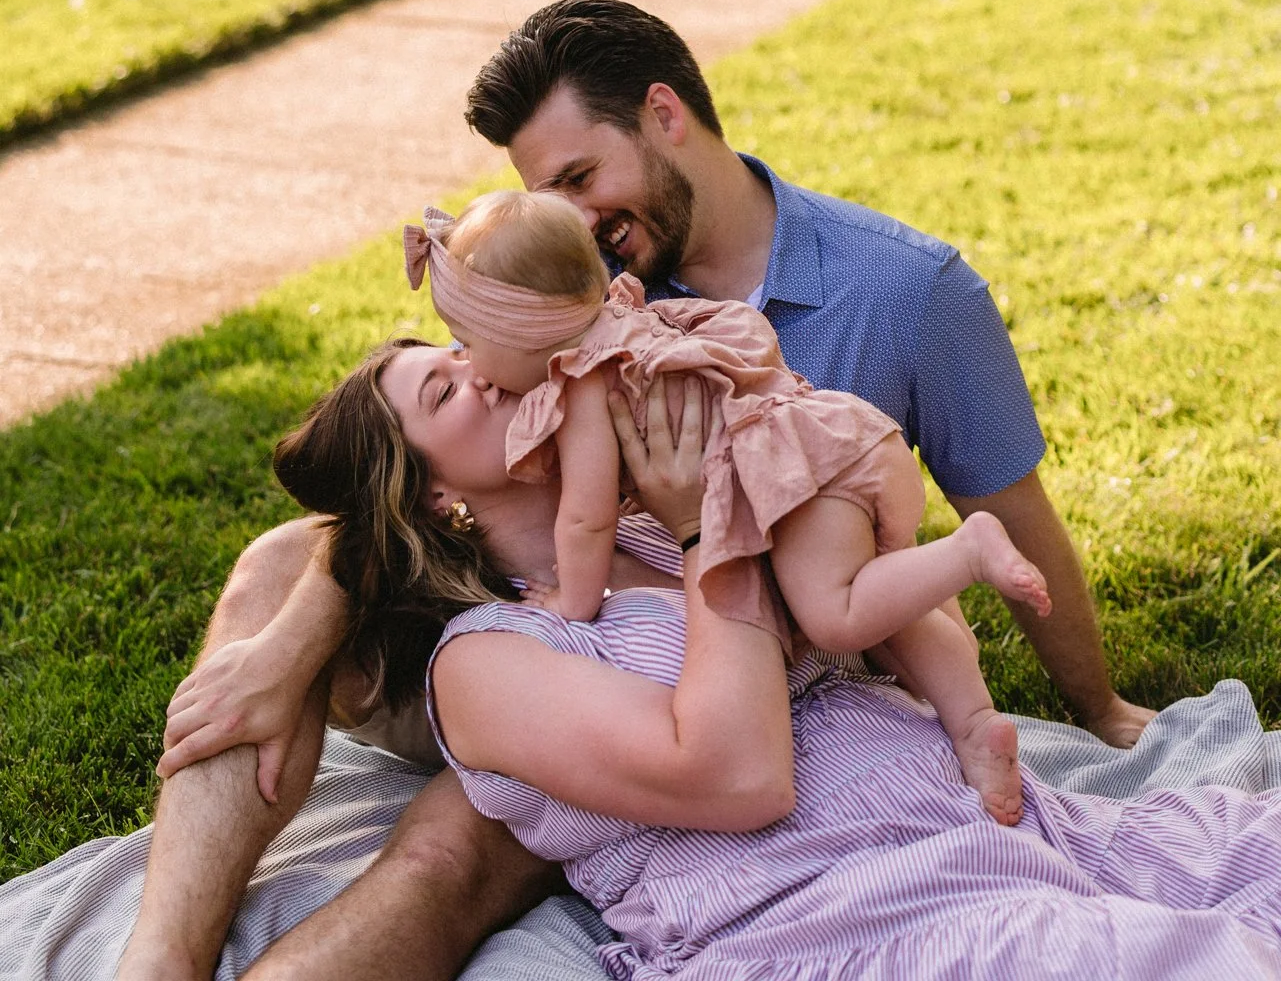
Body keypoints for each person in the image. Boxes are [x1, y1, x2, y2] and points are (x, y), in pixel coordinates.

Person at [269, 338, 1281, 976]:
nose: (485, 372)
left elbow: (894, 614)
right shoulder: (486, 660)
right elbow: (737, 774)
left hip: (1017, 833)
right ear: (437, 495)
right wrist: (711, 528)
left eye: (466, 352)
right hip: (838, 917)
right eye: (449, 391)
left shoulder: (654, 526)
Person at [404, 190, 1051, 824]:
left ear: (523, 331)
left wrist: (574, 601)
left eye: (465, 342)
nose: (475, 368)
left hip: (795, 476)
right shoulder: (631, 315)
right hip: (835, 434)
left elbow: (587, 514)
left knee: (836, 613)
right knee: (887, 615)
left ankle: (969, 549)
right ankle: (972, 722)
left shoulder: (586, 383)